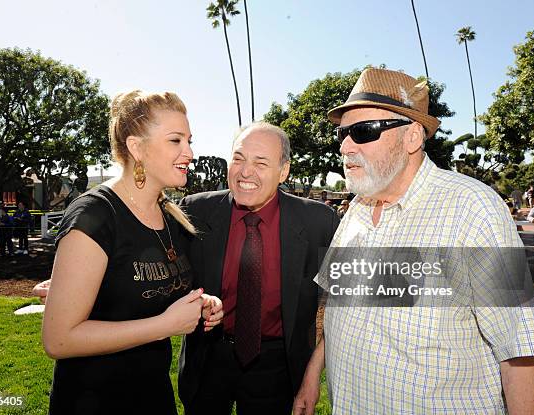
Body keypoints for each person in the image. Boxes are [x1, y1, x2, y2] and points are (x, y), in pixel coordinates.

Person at [305, 68, 534, 414]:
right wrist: (312, 375)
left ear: (412, 137)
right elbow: (343, 307)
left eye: (362, 131)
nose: (345, 146)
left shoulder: (472, 209)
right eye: (343, 133)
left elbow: (519, 351)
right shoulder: (357, 210)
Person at [40, 90, 223, 414]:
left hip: (154, 397)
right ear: (136, 147)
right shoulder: (96, 215)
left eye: (189, 140)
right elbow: (59, 340)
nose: (190, 153)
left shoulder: (170, 217)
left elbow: (146, 292)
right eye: (176, 141)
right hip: (93, 402)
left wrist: (201, 305)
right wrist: (165, 325)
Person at [178, 122, 339, 415]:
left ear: (284, 171)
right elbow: (173, 282)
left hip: (278, 365)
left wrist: (314, 372)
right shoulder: (195, 211)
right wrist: (195, 301)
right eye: (238, 159)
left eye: (260, 163)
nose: (245, 171)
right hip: (209, 356)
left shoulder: (319, 222)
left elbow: (342, 304)